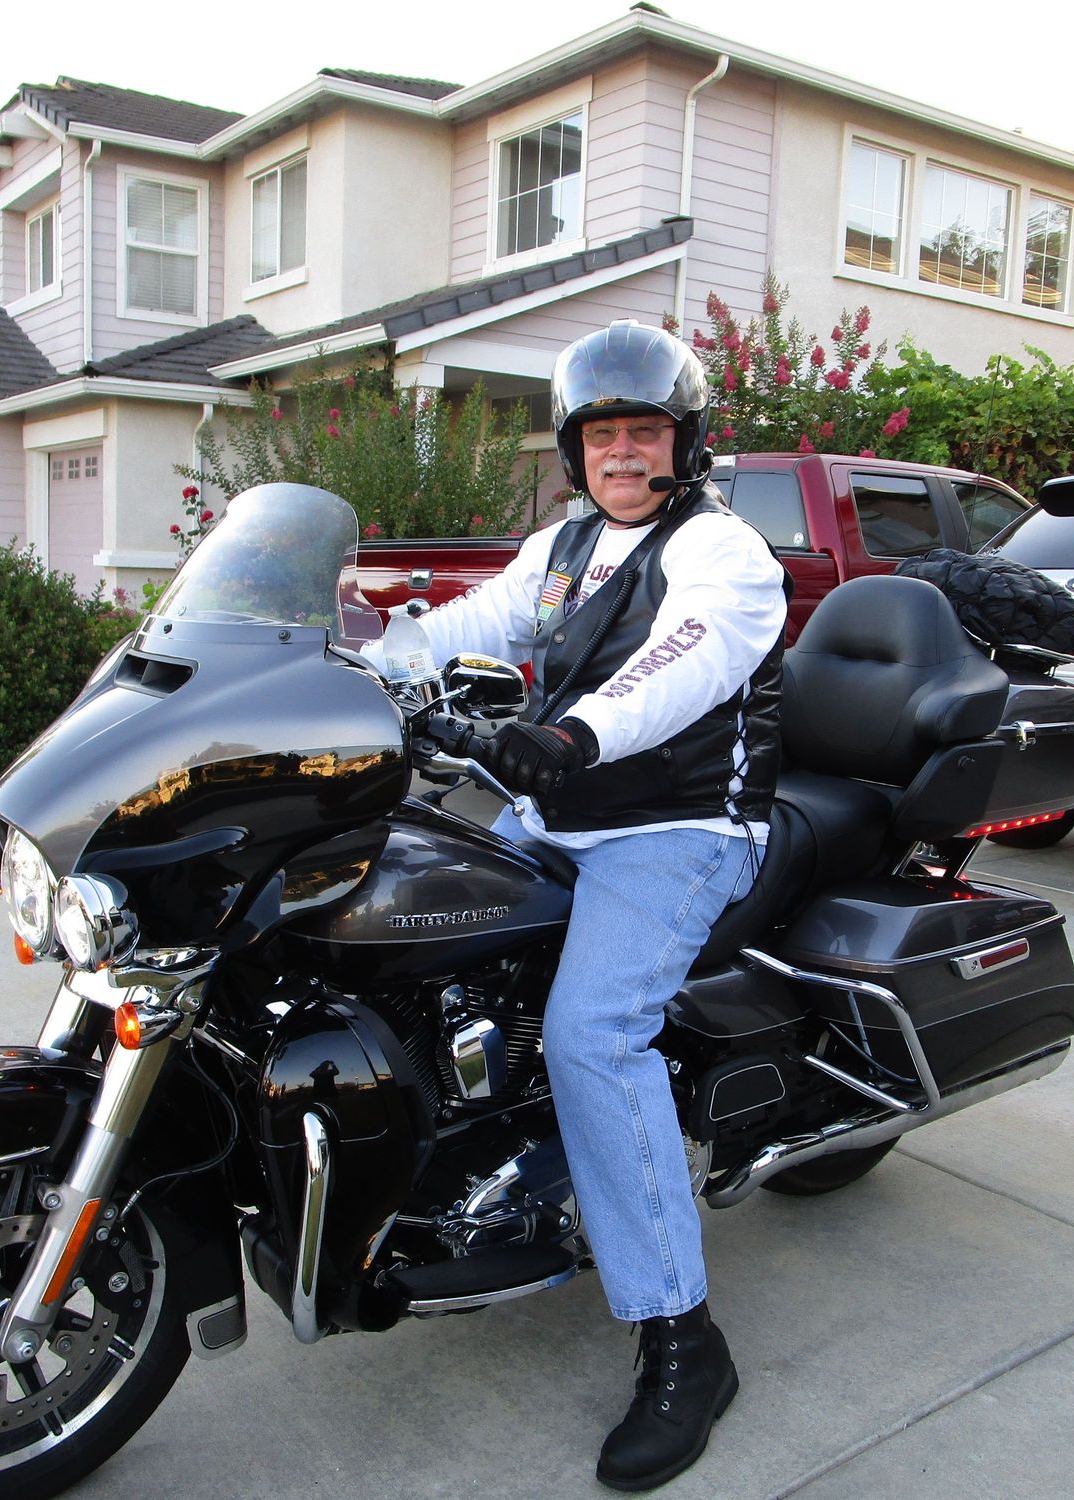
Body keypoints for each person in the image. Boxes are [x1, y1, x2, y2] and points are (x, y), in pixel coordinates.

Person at [395, 320, 786, 1490]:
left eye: (643, 431)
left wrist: (569, 734)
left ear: (684, 442)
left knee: (591, 1033)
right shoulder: (563, 547)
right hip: (560, 816)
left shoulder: (721, 551)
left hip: (678, 829)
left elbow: (681, 661)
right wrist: (357, 652)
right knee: (408, 925)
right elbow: (469, 624)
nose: (621, 451)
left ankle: (682, 1338)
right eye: (600, 432)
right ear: (574, 448)